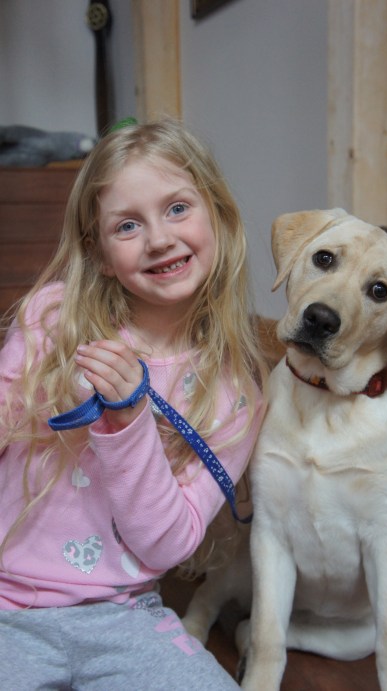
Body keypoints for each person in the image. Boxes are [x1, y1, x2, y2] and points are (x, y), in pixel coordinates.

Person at [0, 119, 267, 689]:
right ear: (98, 254)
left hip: (124, 615)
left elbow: (167, 545)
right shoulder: (53, 320)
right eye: (127, 225)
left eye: (178, 208)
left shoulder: (234, 392)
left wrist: (128, 423)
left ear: (219, 218)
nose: (159, 239)